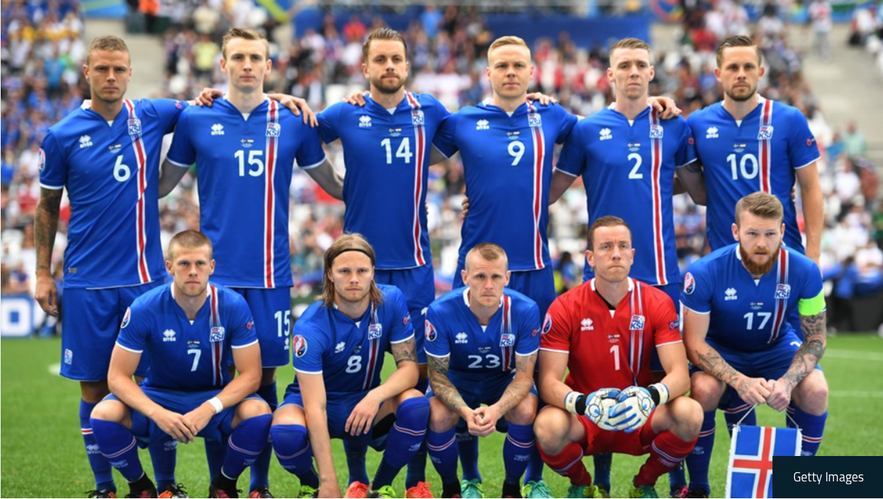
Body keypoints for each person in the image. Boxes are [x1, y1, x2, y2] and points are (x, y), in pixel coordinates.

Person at [159, 28, 343, 498]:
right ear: (222, 64)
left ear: (268, 64)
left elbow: (338, 185)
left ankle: (256, 485)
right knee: (218, 380)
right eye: (237, 57)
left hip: (270, 277)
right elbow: (158, 185)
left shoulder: (293, 119)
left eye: (255, 57)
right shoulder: (196, 120)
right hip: (213, 279)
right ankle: (225, 485)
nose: (246, 64)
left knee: (262, 379)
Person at [35, 35, 193, 498]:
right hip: (87, 284)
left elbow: (210, 105)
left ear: (129, 72)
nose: (111, 77)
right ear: (86, 71)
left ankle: (164, 486)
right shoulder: (61, 135)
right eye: (101, 68)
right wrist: (44, 273)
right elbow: (46, 208)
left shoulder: (151, 114)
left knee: (157, 387)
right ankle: (106, 488)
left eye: (119, 69)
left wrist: (279, 96)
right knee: (92, 390)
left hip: (146, 282)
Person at [547, 37, 704, 496]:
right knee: (598, 381)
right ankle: (595, 479)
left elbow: (699, 189)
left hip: (661, 274)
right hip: (605, 275)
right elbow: (549, 189)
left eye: (641, 64)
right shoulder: (586, 129)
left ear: (652, 72)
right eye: (624, 65)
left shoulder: (674, 126)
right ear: (609, 75)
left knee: (668, 387)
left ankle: (663, 482)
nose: (633, 71)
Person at [315, 28, 448, 496]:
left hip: (413, 266)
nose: (389, 66)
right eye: (381, 59)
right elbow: (298, 128)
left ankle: (414, 480)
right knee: (357, 373)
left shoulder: (430, 110)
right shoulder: (345, 113)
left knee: (420, 373)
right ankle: (354, 479)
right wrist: (337, 186)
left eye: (397, 59)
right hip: (360, 267)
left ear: (407, 66)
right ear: (366, 67)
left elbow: (470, 133)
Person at [685, 33, 823, 453]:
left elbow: (812, 189)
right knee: (723, 368)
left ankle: (801, 477)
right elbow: (695, 190)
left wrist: (812, 257)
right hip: (725, 265)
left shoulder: (789, 119)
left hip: (784, 266)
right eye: (732, 67)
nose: (741, 74)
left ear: (761, 71)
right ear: (717, 73)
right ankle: (731, 475)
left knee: (802, 382)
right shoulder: (698, 123)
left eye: (748, 66)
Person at [89, 230, 271, 498]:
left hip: (213, 395)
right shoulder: (144, 307)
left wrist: (209, 408)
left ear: (212, 266)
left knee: (259, 410)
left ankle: (224, 484)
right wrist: (157, 413)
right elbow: (116, 376)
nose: (193, 271)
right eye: (184, 264)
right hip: (159, 395)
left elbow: (252, 375)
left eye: (200, 264)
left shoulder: (232, 305)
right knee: (103, 414)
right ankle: (141, 487)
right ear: (170, 266)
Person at [534, 216, 702, 498]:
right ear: (590, 257)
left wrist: (650, 396)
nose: (615, 253)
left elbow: (679, 375)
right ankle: (582, 484)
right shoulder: (564, 306)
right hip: (587, 414)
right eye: (606, 247)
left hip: (641, 411)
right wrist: (583, 403)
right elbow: (549, 382)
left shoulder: (656, 301)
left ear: (633, 255)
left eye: (623, 246)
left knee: (690, 413)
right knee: (547, 426)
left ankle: (644, 483)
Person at [680, 192, 829, 497]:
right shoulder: (705, 271)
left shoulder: (805, 271)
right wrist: (739, 381)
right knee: (704, 390)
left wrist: (788, 383)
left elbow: (815, 338)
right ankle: (697, 488)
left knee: (816, 389)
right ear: (736, 232)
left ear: (782, 232)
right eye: (752, 233)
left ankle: (793, 484)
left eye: (770, 234)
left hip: (775, 347)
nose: (761, 243)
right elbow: (693, 342)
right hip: (720, 349)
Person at [269, 234, 430, 499]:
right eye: (344, 271)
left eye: (361, 270)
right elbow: (315, 406)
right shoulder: (310, 326)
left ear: (372, 272)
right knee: (285, 431)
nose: (354, 278)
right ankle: (312, 485)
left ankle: (381, 486)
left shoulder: (391, 300)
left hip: (366, 397)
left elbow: (410, 369)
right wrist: (328, 480)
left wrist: (375, 396)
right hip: (318, 402)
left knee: (416, 404)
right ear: (330, 274)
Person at [423, 243, 540, 498]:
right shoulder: (441, 310)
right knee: (437, 414)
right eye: (480, 276)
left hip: (503, 381)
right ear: (465, 277)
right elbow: (438, 377)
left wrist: (497, 410)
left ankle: (511, 488)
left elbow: (523, 378)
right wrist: (464, 411)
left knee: (526, 409)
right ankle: (452, 487)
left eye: (496, 276)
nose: (488, 285)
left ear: (506, 278)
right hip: (457, 380)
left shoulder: (525, 310)